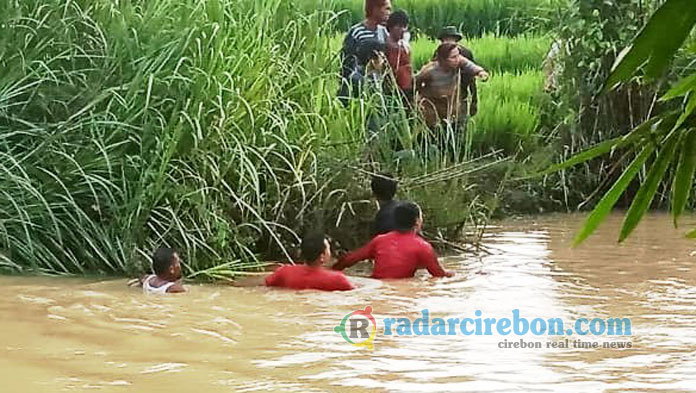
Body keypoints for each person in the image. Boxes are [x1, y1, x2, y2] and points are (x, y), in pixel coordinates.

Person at [333, 202, 454, 279]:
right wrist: (454, 275)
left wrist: (331, 271)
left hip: (374, 286)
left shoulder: (379, 240)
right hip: (397, 291)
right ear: (417, 221)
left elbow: (350, 259)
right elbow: (438, 275)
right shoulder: (423, 246)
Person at [416, 42, 489, 129]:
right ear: (443, 60)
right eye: (453, 57)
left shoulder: (458, 61)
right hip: (434, 109)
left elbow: (468, 64)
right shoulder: (429, 71)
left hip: (452, 107)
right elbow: (415, 83)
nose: (457, 59)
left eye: (458, 55)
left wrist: (480, 72)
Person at [338, 0, 392, 103]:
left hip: (377, 89)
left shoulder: (383, 32)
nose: (389, 13)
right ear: (375, 9)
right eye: (387, 9)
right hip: (358, 89)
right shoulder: (356, 32)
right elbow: (345, 63)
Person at [265, 233, 355, 291]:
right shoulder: (338, 280)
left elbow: (266, 284)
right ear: (322, 256)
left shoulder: (283, 272)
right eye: (328, 249)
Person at [434, 26, 479, 117]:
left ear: (456, 40)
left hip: (461, 95)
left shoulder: (465, 53)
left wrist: (474, 101)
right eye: (446, 40)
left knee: (460, 124)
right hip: (443, 97)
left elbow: (472, 79)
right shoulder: (438, 54)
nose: (448, 42)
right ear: (442, 41)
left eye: (451, 39)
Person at [385, 10, 412, 100]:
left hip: (407, 87)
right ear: (391, 27)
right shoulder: (385, 45)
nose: (403, 30)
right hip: (391, 89)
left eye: (404, 26)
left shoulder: (404, 45)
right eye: (399, 26)